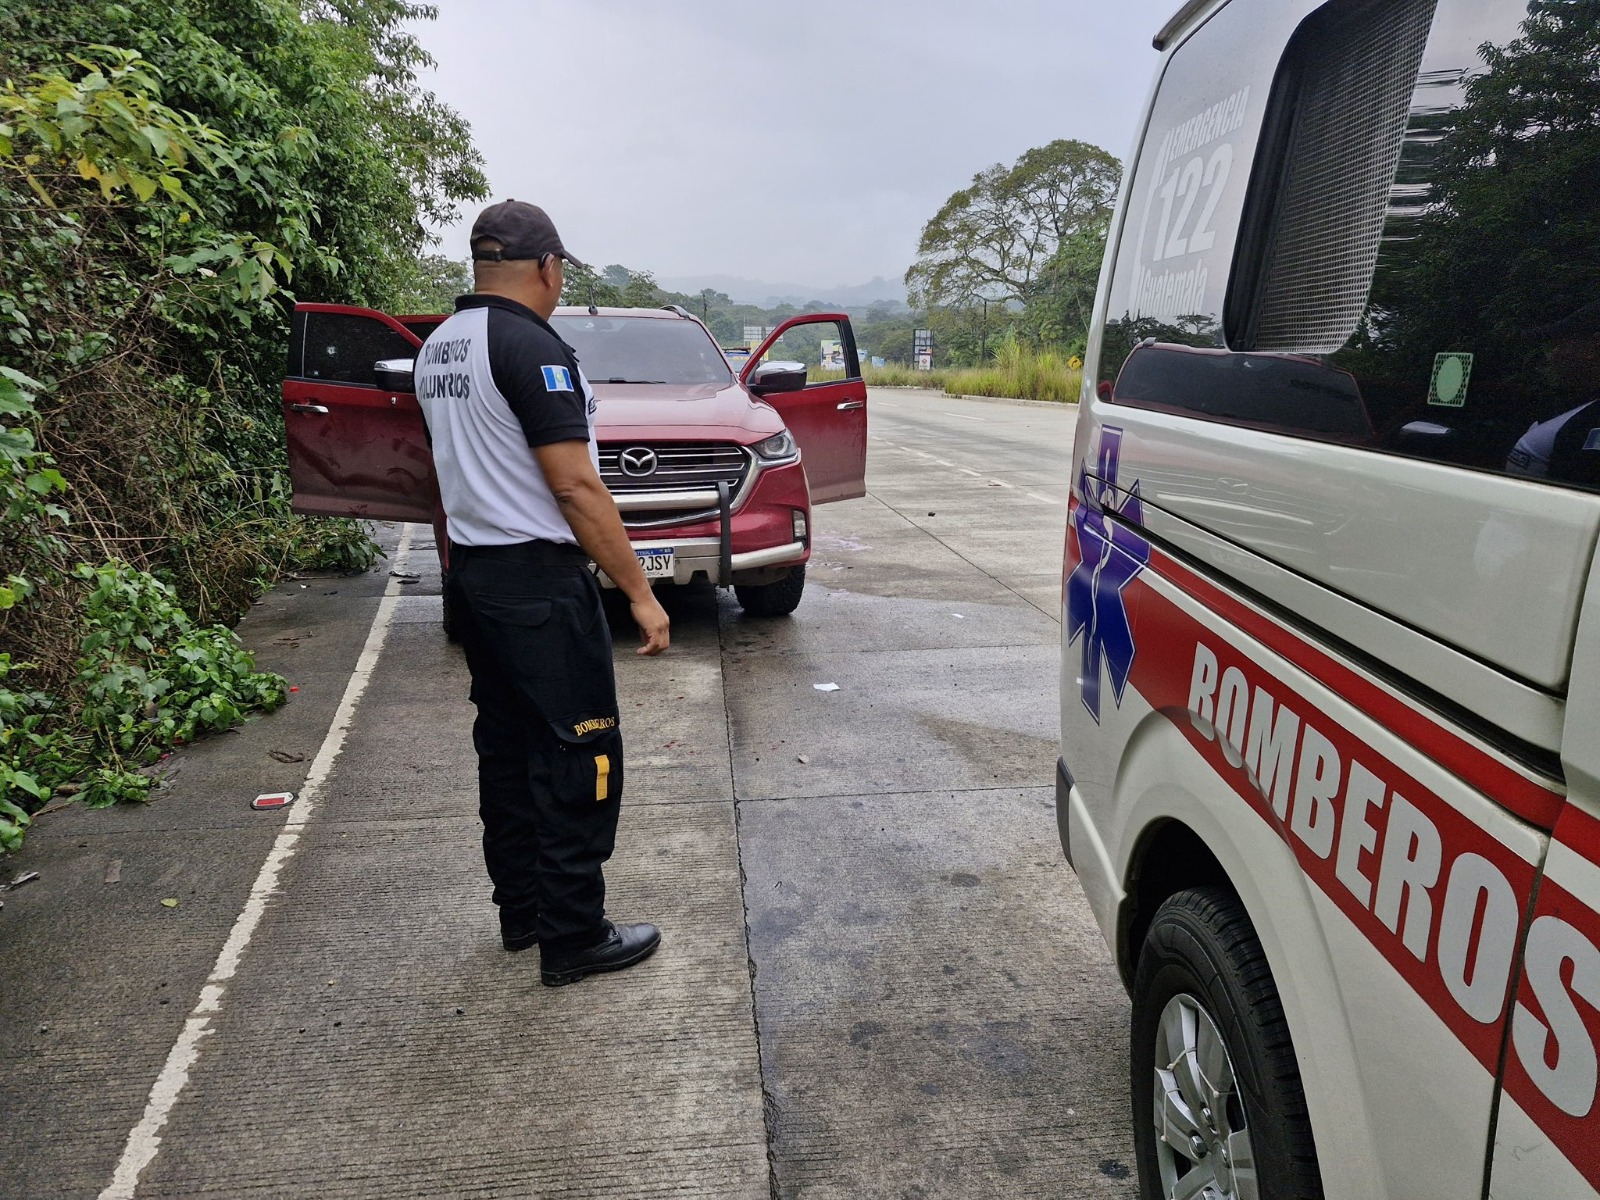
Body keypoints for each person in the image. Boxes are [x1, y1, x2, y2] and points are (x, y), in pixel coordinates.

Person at [413, 199, 671, 987]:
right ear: (547, 268)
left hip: (476, 578)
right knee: (579, 750)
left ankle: (521, 913)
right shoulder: (532, 348)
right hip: (538, 584)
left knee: (508, 750)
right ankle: (574, 934)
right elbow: (575, 487)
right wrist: (639, 592)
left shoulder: (440, 347)